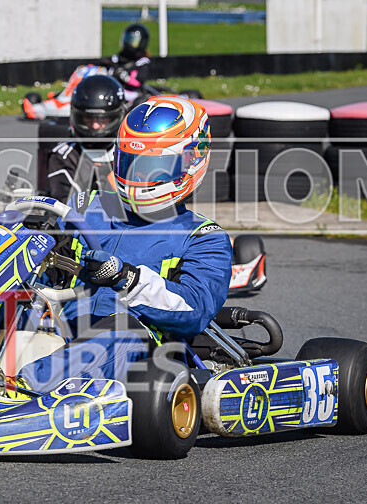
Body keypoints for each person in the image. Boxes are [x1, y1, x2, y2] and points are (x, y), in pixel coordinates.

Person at [16, 95, 232, 392]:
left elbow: (193, 310)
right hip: (61, 328)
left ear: (192, 160)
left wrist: (125, 277)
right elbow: (42, 272)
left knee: (122, 330)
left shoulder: (204, 238)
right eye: (131, 164)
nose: (139, 176)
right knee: (1, 300)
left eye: (154, 166)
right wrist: (30, 239)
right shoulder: (86, 206)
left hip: (144, 353)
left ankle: (21, 390)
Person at [46, 75, 126, 204]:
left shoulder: (128, 151)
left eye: (102, 119)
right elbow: (66, 206)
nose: (95, 126)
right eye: (88, 119)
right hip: (85, 220)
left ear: (115, 117)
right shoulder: (65, 155)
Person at [108, 23, 151, 103]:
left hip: (132, 93)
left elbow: (139, 82)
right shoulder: (116, 58)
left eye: (133, 41)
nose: (129, 43)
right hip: (113, 89)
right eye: (128, 39)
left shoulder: (142, 62)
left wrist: (126, 78)